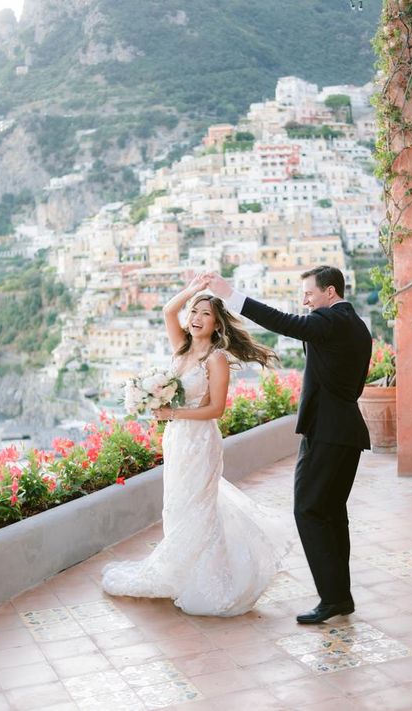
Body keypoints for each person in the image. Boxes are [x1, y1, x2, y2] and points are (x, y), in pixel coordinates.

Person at [102, 274, 293, 616]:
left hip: (201, 441)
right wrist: (193, 291)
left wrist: (173, 410)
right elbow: (166, 310)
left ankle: (210, 578)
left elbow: (217, 409)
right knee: (176, 505)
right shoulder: (182, 349)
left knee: (200, 506)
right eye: (194, 312)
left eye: (205, 314)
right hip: (176, 438)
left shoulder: (216, 359)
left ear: (217, 324)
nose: (195, 318)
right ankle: (181, 570)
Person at [207, 265, 372, 624]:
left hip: (328, 433)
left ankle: (332, 598)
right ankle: (339, 597)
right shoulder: (356, 326)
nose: (305, 301)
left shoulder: (332, 322)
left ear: (330, 292)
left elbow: (285, 322)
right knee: (331, 513)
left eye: (310, 294)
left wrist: (229, 295)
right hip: (346, 430)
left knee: (309, 511)